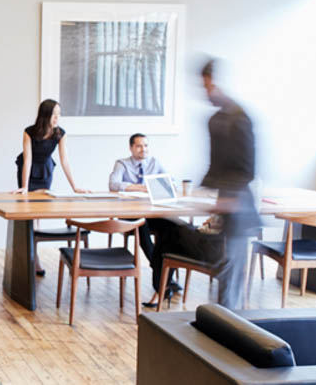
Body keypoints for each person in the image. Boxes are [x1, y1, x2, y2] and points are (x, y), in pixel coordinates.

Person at [199, 59, 259, 309]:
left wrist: (230, 198)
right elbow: (216, 164)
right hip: (225, 198)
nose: (207, 93)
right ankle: (222, 319)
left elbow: (248, 166)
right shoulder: (215, 120)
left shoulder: (240, 118)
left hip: (239, 202)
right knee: (224, 265)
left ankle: (228, 322)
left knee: (231, 267)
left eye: (209, 87)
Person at [13, 99, 87, 275]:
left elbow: (64, 160)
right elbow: (28, 159)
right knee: (29, 216)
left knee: (38, 214)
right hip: (28, 171)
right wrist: (24, 186)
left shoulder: (60, 133)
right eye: (54, 115)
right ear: (45, 115)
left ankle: (34, 255)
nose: (57, 118)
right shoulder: (29, 132)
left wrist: (75, 186)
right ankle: (33, 258)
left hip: (45, 171)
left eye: (59, 114)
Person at [108, 133, 182, 297]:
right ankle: (161, 270)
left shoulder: (154, 162)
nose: (144, 149)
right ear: (131, 148)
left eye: (146, 146)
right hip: (130, 213)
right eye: (139, 146)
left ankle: (164, 272)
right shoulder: (122, 163)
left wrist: (159, 184)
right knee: (141, 225)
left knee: (173, 226)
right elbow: (113, 184)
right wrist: (141, 187)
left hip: (152, 211)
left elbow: (171, 182)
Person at [145, 216, 226, 308]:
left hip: (210, 246)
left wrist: (211, 223)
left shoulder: (234, 213)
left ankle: (161, 288)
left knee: (170, 233)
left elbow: (220, 225)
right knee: (169, 227)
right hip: (207, 238)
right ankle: (162, 288)